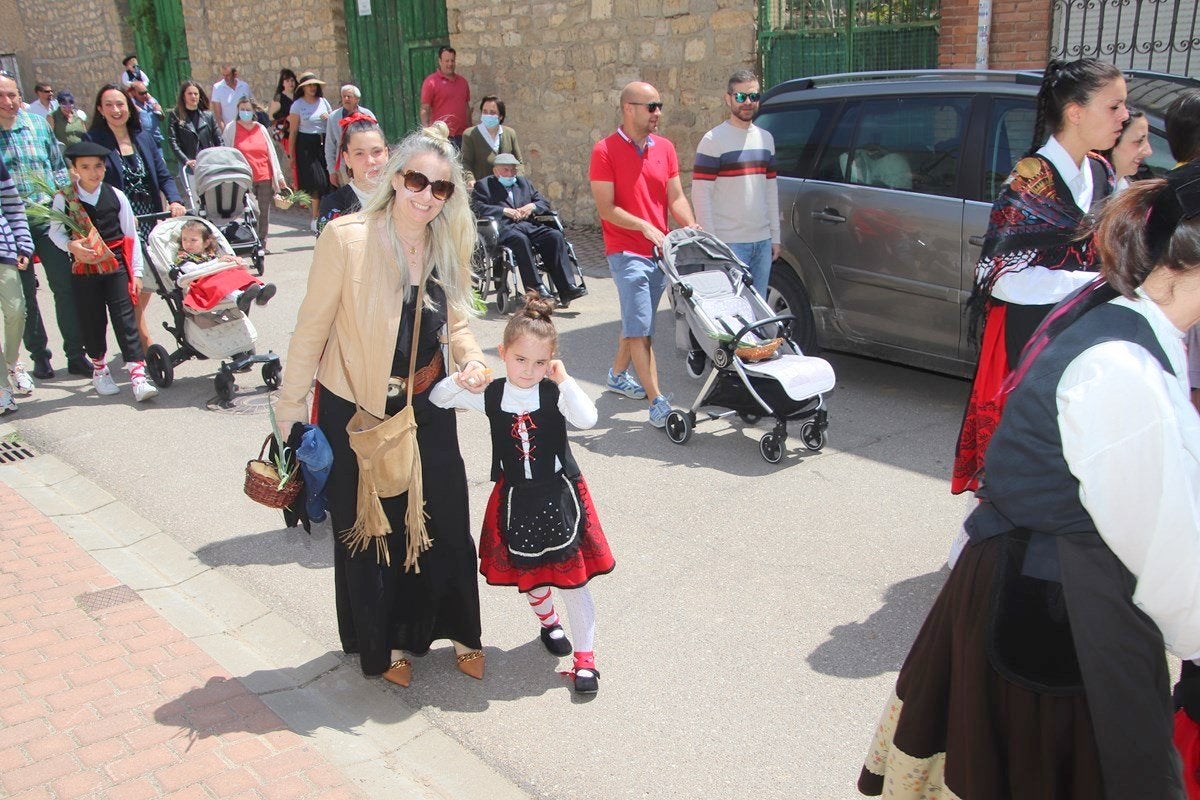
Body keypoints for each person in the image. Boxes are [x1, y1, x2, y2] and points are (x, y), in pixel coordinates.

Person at [859, 162, 1200, 800]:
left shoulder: (1128, 323)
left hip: (1053, 592)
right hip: (1057, 609)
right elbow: (1165, 549)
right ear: (1181, 267)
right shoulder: (1120, 364)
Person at [275, 121, 491, 686]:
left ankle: (460, 630)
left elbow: (459, 323)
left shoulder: (446, 243)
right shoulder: (347, 237)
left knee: (444, 516)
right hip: (358, 409)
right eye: (417, 180)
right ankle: (387, 640)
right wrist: (290, 412)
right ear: (395, 178)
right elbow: (310, 330)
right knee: (374, 528)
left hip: (427, 404)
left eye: (440, 188)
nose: (426, 195)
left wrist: (469, 360)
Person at [950, 58, 1126, 495]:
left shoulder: (1101, 172)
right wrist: (1091, 286)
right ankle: (986, 553)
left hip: (1081, 333)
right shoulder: (1029, 183)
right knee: (1025, 456)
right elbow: (1001, 276)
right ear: (1075, 112)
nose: (1124, 115)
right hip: (1031, 338)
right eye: (1114, 106)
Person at [430, 293, 614, 694]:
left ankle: (586, 659)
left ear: (550, 362)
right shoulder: (493, 395)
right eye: (520, 360)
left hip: (561, 494)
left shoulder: (552, 392)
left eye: (540, 363)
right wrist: (462, 378)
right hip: (515, 499)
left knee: (576, 581)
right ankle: (549, 624)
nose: (529, 371)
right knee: (531, 577)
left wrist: (564, 380)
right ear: (503, 353)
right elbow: (437, 398)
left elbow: (588, 419)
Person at [589, 80, 698, 427]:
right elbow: (606, 209)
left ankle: (618, 376)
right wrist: (643, 226)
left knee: (639, 321)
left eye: (659, 106)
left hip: (659, 252)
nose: (658, 113)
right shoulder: (603, 151)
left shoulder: (664, 147)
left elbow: (675, 198)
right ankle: (657, 402)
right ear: (628, 108)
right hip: (625, 251)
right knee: (641, 330)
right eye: (651, 107)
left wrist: (692, 229)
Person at [47, 141, 157, 402]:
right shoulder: (64, 199)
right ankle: (99, 368)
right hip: (84, 269)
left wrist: (137, 273)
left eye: (98, 166)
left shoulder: (116, 196)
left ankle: (137, 375)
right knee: (92, 318)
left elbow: (131, 236)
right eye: (85, 167)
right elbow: (55, 232)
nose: (93, 172)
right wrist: (71, 245)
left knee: (125, 317)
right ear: (75, 169)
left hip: (116, 266)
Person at [83, 84, 187, 351]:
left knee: (149, 280)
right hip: (117, 222)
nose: (116, 110)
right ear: (100, 110)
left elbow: (162, 173)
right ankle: (142, 340)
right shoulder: (94, 141)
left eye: (121, 104)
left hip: (149, 217)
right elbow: (89, 181)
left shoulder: (143, 137)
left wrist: (174, 200)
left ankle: (131, 326)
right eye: (109, 105)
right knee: (132, 282)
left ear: (129, 108)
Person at [0, 71, 87, 380]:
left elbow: (58, 168)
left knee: (65, 286)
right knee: (24, 296)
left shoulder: (37, 126)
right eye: (1, 96)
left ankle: (76, 354)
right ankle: (39, 355)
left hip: (48, 219)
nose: (8, 102)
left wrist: (68, 208)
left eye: (12, 94)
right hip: (11, 227)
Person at [692, 70, 779, 298]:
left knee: (757, 314)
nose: (747, 102)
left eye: (753, 96)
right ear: (728, 98)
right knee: (732, 316)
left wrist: (775, 238)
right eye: (741, 97)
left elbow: (771, 191)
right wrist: (713, 246)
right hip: (729, 244)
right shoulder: (713, 141)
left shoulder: (766, 139)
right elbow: (701, 195)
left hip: (762, 243)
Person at [472, 153, 585, 303]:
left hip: (528, 224)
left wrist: (532, 206)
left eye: (513, 170)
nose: (511, 174)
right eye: (506, 170)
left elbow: (543, 202)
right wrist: (503, 211)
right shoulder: (484, 185)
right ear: (495, 171)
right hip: (503, 228)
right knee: (520, 240)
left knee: (554, 236)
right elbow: (476, 207)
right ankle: (535, 288)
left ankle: (566, 287)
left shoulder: (523, 183)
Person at [223, 96, 289, 250]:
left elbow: (271, 152)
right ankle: (251, 238)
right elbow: (227, 152)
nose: (244, 112)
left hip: (264, 175)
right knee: (255, 210)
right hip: (244, 178)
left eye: (248, 109)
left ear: (254, 111)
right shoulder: (231, 128)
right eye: (242, 110)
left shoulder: (261, 128)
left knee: (264, 212)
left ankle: (261, 243)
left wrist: (279, 177)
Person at [174, 219, 276, 313]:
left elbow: (222, 262)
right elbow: (191, 270)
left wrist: (233, 260)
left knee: (237, 274)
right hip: (202, 282)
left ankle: (261, 292)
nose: (188, 243)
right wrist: (217, 263)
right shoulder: (184, 256)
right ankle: (238, 297)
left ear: (206, 243)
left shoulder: (210, 254)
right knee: (220, 283)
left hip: (217, 275)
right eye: (184, 239)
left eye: (193, 240)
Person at [317, 113, 387, 233]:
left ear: (386, 153)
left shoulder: (403, 196)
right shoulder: (335, 205)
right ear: (347, 159)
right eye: (359, 153)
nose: (370, 161)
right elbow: (326, 250)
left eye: (376, 151)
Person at [0, 158, 33, 413]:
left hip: (3, 251)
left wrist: (22, 242)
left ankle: (11, 362)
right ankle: (2, 388)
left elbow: (12, 205)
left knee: (17, 311)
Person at [288, 73, 332, 233]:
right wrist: (291, 155)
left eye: (314, 85)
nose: (312, 88)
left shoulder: (324, 102)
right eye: (309, 85)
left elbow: (332, 122)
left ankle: (325, 215)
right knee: (316, 182)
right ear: (303, 88)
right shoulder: (297, 105)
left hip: (323, 142)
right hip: (306, 145)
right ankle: (314, 217)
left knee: (327, 182)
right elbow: (293, 131)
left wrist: (329, 117)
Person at [459, 95, 523, 185]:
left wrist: (518, 180)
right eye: (485, 112)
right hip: (482, 190)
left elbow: (519, 162)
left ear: (500, 116)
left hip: (507, 189)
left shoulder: (510, 133)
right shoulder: (470, 135)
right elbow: (465, 163)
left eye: (492, 112)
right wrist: (470, 179)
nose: (488, 115)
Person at [420, 46, 470, 149]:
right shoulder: (430, 82)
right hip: (441, 137)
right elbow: (425, 109)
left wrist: (470, 129)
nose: (450, 64)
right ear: (440, 61)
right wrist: (427, 132)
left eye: (452, 60)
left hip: (462, 136)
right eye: (447, 61)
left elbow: (466, 107)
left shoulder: (463, 82)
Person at [167, 79, 218, 182]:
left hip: (209, 164)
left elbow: (218, 138)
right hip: (190, 166)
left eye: (196, 94)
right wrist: (186, 160)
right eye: (190, 94)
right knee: (194, 196)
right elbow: (173, 141)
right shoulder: (175, 116)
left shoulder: (208, 116)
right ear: (184, 96)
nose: (193, 96)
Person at [323, 85, 374, 184]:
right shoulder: (333, 117)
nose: (346, 99)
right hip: (344, 166)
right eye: (344, 96)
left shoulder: (367, 115)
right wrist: (332, 171)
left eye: (349, 96)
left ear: (357, 99)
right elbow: (330, 146)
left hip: (364, 162)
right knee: (349, 195)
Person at [1100, 108, 1151, 192]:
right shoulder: (1087, 188)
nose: (1148, 152)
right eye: (1139, 141)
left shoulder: (1130, 195)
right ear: (1112, 140)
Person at [267, 69, 297, 165]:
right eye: (287, 81)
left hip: (299, 133)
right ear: (283, 83)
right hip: (285, 135)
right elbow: (271, 117)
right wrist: (285, 118)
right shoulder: (279, 98)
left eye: (292, 80)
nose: (290, 83)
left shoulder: (298, 96)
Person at [211, 65, 251, 131]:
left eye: (228, 75)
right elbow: (218, 116)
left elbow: (251, 106)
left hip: (245, 128)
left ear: (235, 75)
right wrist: (225, 133)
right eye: (224, 75)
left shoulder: (244, 86)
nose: (225, 78)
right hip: (229, 130)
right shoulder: (217, 88)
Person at [127, 81, 164, 147]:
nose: (145, 95)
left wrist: (159, 111)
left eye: (146, 92)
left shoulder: (152, 102)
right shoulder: (132, 106)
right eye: (141, 93)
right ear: (133, 93)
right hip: (142, 144)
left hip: (156, 141)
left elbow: (162, 118)